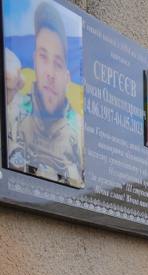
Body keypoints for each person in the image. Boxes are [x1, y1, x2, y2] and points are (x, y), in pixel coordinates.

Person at [6, 2, 84, 188]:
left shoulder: (79, 136)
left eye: (57, 63)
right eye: (43, 57)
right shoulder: (11, 110)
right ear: (34, 62)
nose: (49, 72)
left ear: (67, 76)